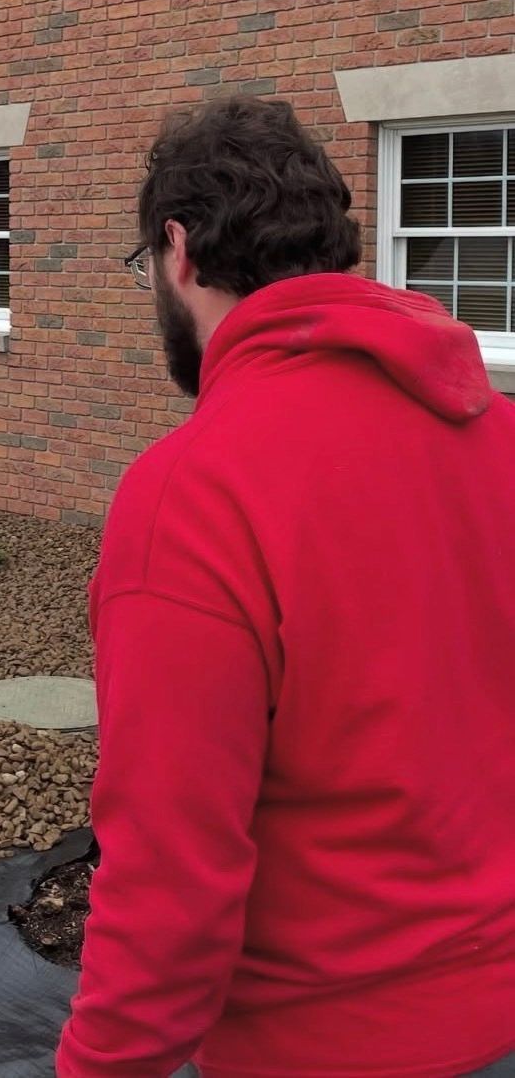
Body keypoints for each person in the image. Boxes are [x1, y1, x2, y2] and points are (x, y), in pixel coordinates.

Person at [57, 97, 515, 1077]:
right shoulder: (498, 437)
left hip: (332, 1047)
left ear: (177, 249)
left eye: (145, 267)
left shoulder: (192, 496)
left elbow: (169, 886)